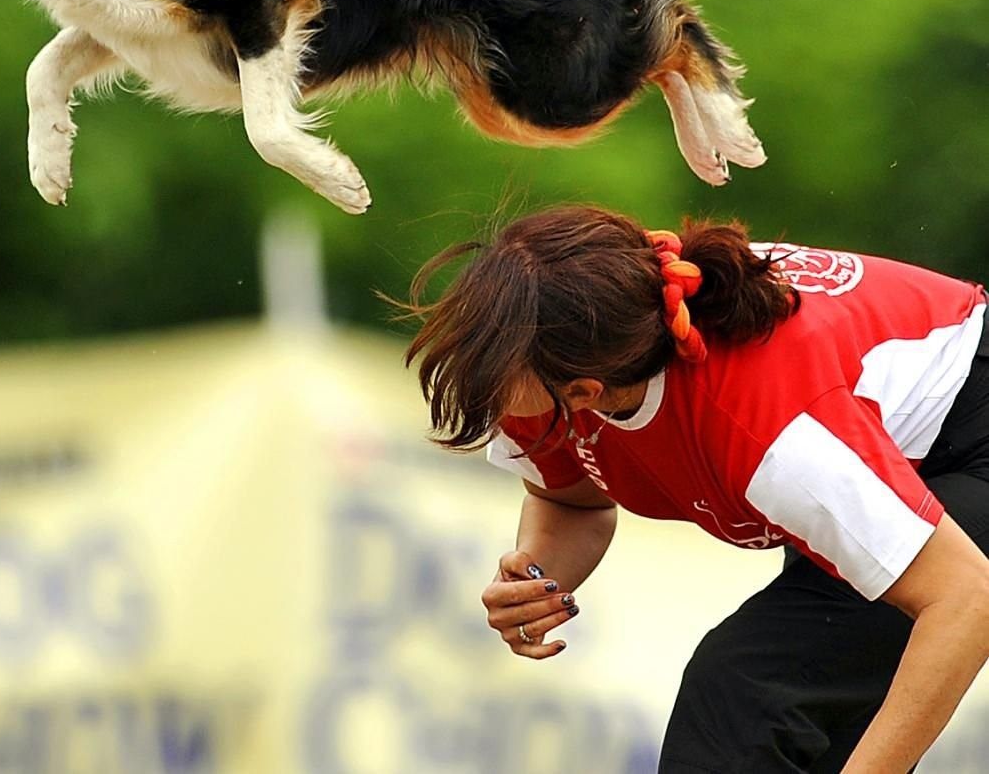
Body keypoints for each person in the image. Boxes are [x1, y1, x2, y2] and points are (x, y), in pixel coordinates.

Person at [404, 205, 989, 773]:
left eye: (491, 378)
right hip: (887, 443)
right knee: (790, 718)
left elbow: (965, 600)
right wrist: (537, 578)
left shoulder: (767, 430)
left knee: (743, 696)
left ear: (585, 393)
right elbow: (571, 499)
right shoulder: (549, 372)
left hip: (969, 432)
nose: (481, 391)